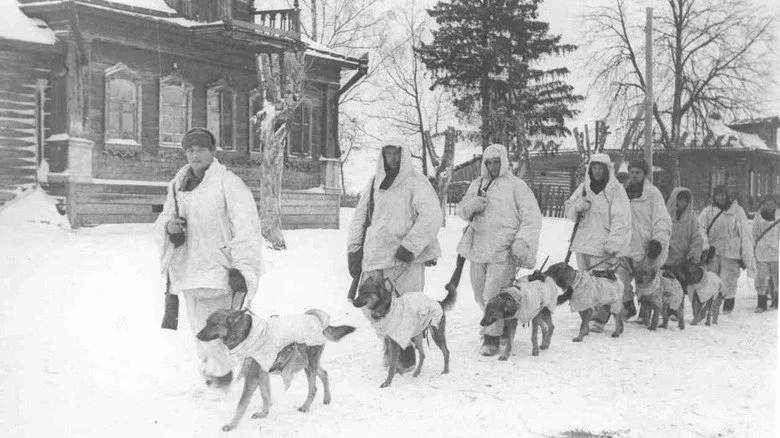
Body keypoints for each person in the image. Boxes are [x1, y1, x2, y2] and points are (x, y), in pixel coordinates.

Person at [154, 127, 264, 388]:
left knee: (221, 333)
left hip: (221, 273)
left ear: (212, 152)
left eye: (201, 149)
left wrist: (242, 267)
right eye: (190, 150)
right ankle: (218, 380)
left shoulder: (229, 183)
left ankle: (223, 381)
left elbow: (247, 228)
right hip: (188, 272)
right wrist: (169, 227)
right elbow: (164, 218)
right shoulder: (177, 185)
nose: (195, 155)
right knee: (200, 333)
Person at [347, 143, 443, 372]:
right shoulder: (374, 182)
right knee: (368, 304)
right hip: (375, 254)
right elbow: (360, 217)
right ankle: (390, 343)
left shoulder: (417, 182)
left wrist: (410, 246)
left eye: (396, 152)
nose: (391, 157)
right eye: (387, 153)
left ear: (404, 154)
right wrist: (353, 249)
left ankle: (407, 349)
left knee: (407, 307)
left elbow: (431, 216)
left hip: (405, 259)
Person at [455, 144, 542, 356]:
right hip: (477, 249)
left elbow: (532, 217)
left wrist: (522, 241)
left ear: (503, 162)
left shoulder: (517, 186)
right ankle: (501, 327)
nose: (493, 166)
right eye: (489, 162)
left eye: (496, 162)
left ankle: (492, 338)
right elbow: (461, 210)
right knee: (479, 295)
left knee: (492, 295)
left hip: (503, 250)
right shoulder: (477, 184)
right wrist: (472, 206)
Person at [564, 153, 631, 330]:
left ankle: (600, 317)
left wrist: (614, 243)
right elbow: (569, 210)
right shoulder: (583, 188)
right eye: (594, 167)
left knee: (603, 283)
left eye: (601, 168)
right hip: (583, 243)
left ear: (607, 169)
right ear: (590, 169)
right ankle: (589, 314)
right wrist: (577, 207)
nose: (597, 171)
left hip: (603, 245)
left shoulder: (616, 190)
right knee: (586, 282)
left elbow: (621, 219)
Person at [618, 159, 671, 323]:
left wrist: (658, 241)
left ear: (644, 174)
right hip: (625, 245)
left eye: (637, 172)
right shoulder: (621, 193)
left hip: (645, 245)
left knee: (646, 283)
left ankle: (646, 310)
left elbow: (662, 220)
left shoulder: (653, 194)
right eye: (631, 172)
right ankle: (627, 305)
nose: (634, 176)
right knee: (620, 279)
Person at [698, 185, 755, 314]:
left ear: (728, 196)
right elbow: (701, 228)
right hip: (713, 252)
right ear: (714, 196)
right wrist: (705, 245)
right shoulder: (708, 211)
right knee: (712, 278)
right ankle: (711, 302)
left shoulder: (737, 211)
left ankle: (728, 301)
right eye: (718, 195)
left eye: (723, 194)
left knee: (728, 278)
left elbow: (745, 232)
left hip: (731, 252)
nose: (721, 197)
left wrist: (745, 252)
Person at [664, 187, 704, 268]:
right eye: (680, 199)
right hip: (665, 261)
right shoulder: (664, 217)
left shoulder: (691, 218)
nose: (682, 202)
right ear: (675, 199)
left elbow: (697, 238)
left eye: (685, 200)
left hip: (684, 262)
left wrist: (693, 256)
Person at [752, 195, 779, 312]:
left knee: (777, 279)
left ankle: (776, 301)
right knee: (761, 278)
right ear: (763, 204)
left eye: (771, 204)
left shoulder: (778, 218)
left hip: (776, 253)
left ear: (775, 204)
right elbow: (753, 235)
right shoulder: (757, 218)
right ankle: (761, 303)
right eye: (766, 204)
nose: (769, 206)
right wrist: (753, 249)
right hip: (762, 252)